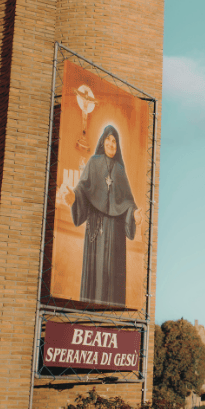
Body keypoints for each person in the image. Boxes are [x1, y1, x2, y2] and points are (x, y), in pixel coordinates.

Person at [62, 125, 143, 307]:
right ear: (102, 141)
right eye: (108, 139)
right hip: (96, 231)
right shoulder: (93, 162)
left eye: (114, 141)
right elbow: (83, 189)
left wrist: (134, 215)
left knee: (112, 277)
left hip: (115, 236)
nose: (111, 143)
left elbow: (127, 202)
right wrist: (73, 196)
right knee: (95, 274)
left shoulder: (120, 171)